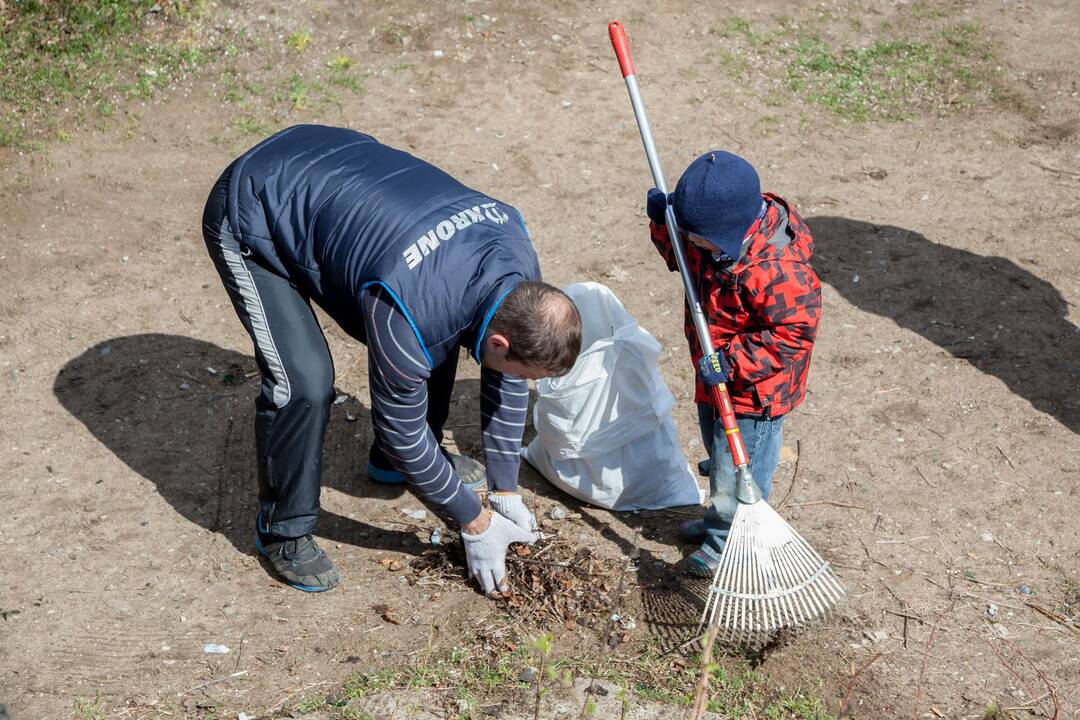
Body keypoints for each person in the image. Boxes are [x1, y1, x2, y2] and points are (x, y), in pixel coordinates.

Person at [201, 124, 581, 594]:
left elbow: (503, 378)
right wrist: (474, 521)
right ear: (502, 344)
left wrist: (505, 490)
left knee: (445, 332)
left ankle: (390, 465)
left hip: (334, 172)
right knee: (304, 382)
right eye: (525, 373)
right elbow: (402, 431)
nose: (520, 382)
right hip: (255, 207)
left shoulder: (519, 270)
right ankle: (284, 532)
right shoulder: (409, 306)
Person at [645, 150, 821, 576]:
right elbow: (683, 261)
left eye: (700, 240)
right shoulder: (715, 238)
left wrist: (734, 362)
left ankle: (732, 541)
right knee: (717, 450)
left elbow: (793, 333)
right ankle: (718, 519)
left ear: (731, 232)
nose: (695, 245)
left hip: (755, 391)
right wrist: (663, 225)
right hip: (714, 373)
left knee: (740, 466)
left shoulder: (778, 269)